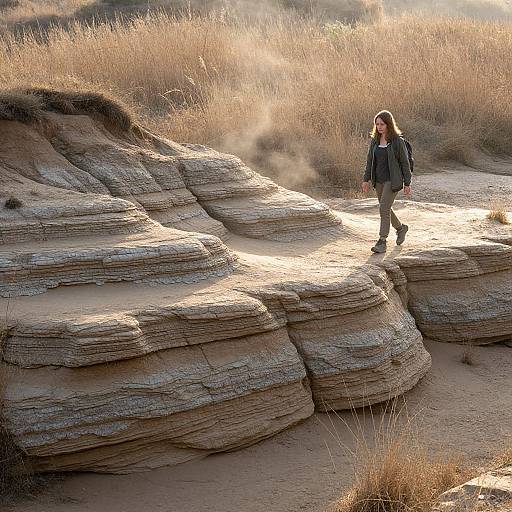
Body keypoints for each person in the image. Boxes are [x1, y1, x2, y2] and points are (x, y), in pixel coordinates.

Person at [362, 110, 411, 253]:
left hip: (392, 181)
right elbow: (370, 160)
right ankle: (401, 229)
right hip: (379, 181)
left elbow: (405, 163)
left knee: (383, 208)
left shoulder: (397, 141)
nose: (379, 127)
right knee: (386, 208)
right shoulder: (375, 141)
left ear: (388, 124)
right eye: (377, 124)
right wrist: (366, 179)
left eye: (382, 124)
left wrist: (407, 183)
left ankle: (382, 241)